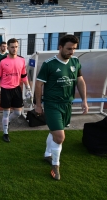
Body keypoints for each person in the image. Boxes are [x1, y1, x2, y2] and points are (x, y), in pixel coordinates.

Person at [35, 34, 88, 181]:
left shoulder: (76, 62)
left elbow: (80, 80)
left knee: (54, 132)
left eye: (74, 49)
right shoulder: (49, 64)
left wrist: (84, 100)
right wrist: (38, 105)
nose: (72, 52)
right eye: (69, 49)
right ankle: (55, 165)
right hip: (52, 104)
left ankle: (47, 154)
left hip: (67, 104)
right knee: (60, 137)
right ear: (60, 47)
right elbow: (39, 84)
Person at [0, 38, 31, 143]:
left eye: (16, 47)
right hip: (5, 89)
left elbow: (24, 75)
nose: (14, 49)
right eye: (12, 47)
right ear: (8, 48)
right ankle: (5, 132)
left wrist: (28, 87)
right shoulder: (2, 61)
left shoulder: (22, 60)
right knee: (6, 113)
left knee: (18, 113)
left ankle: (7, 122)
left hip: (16, 89)